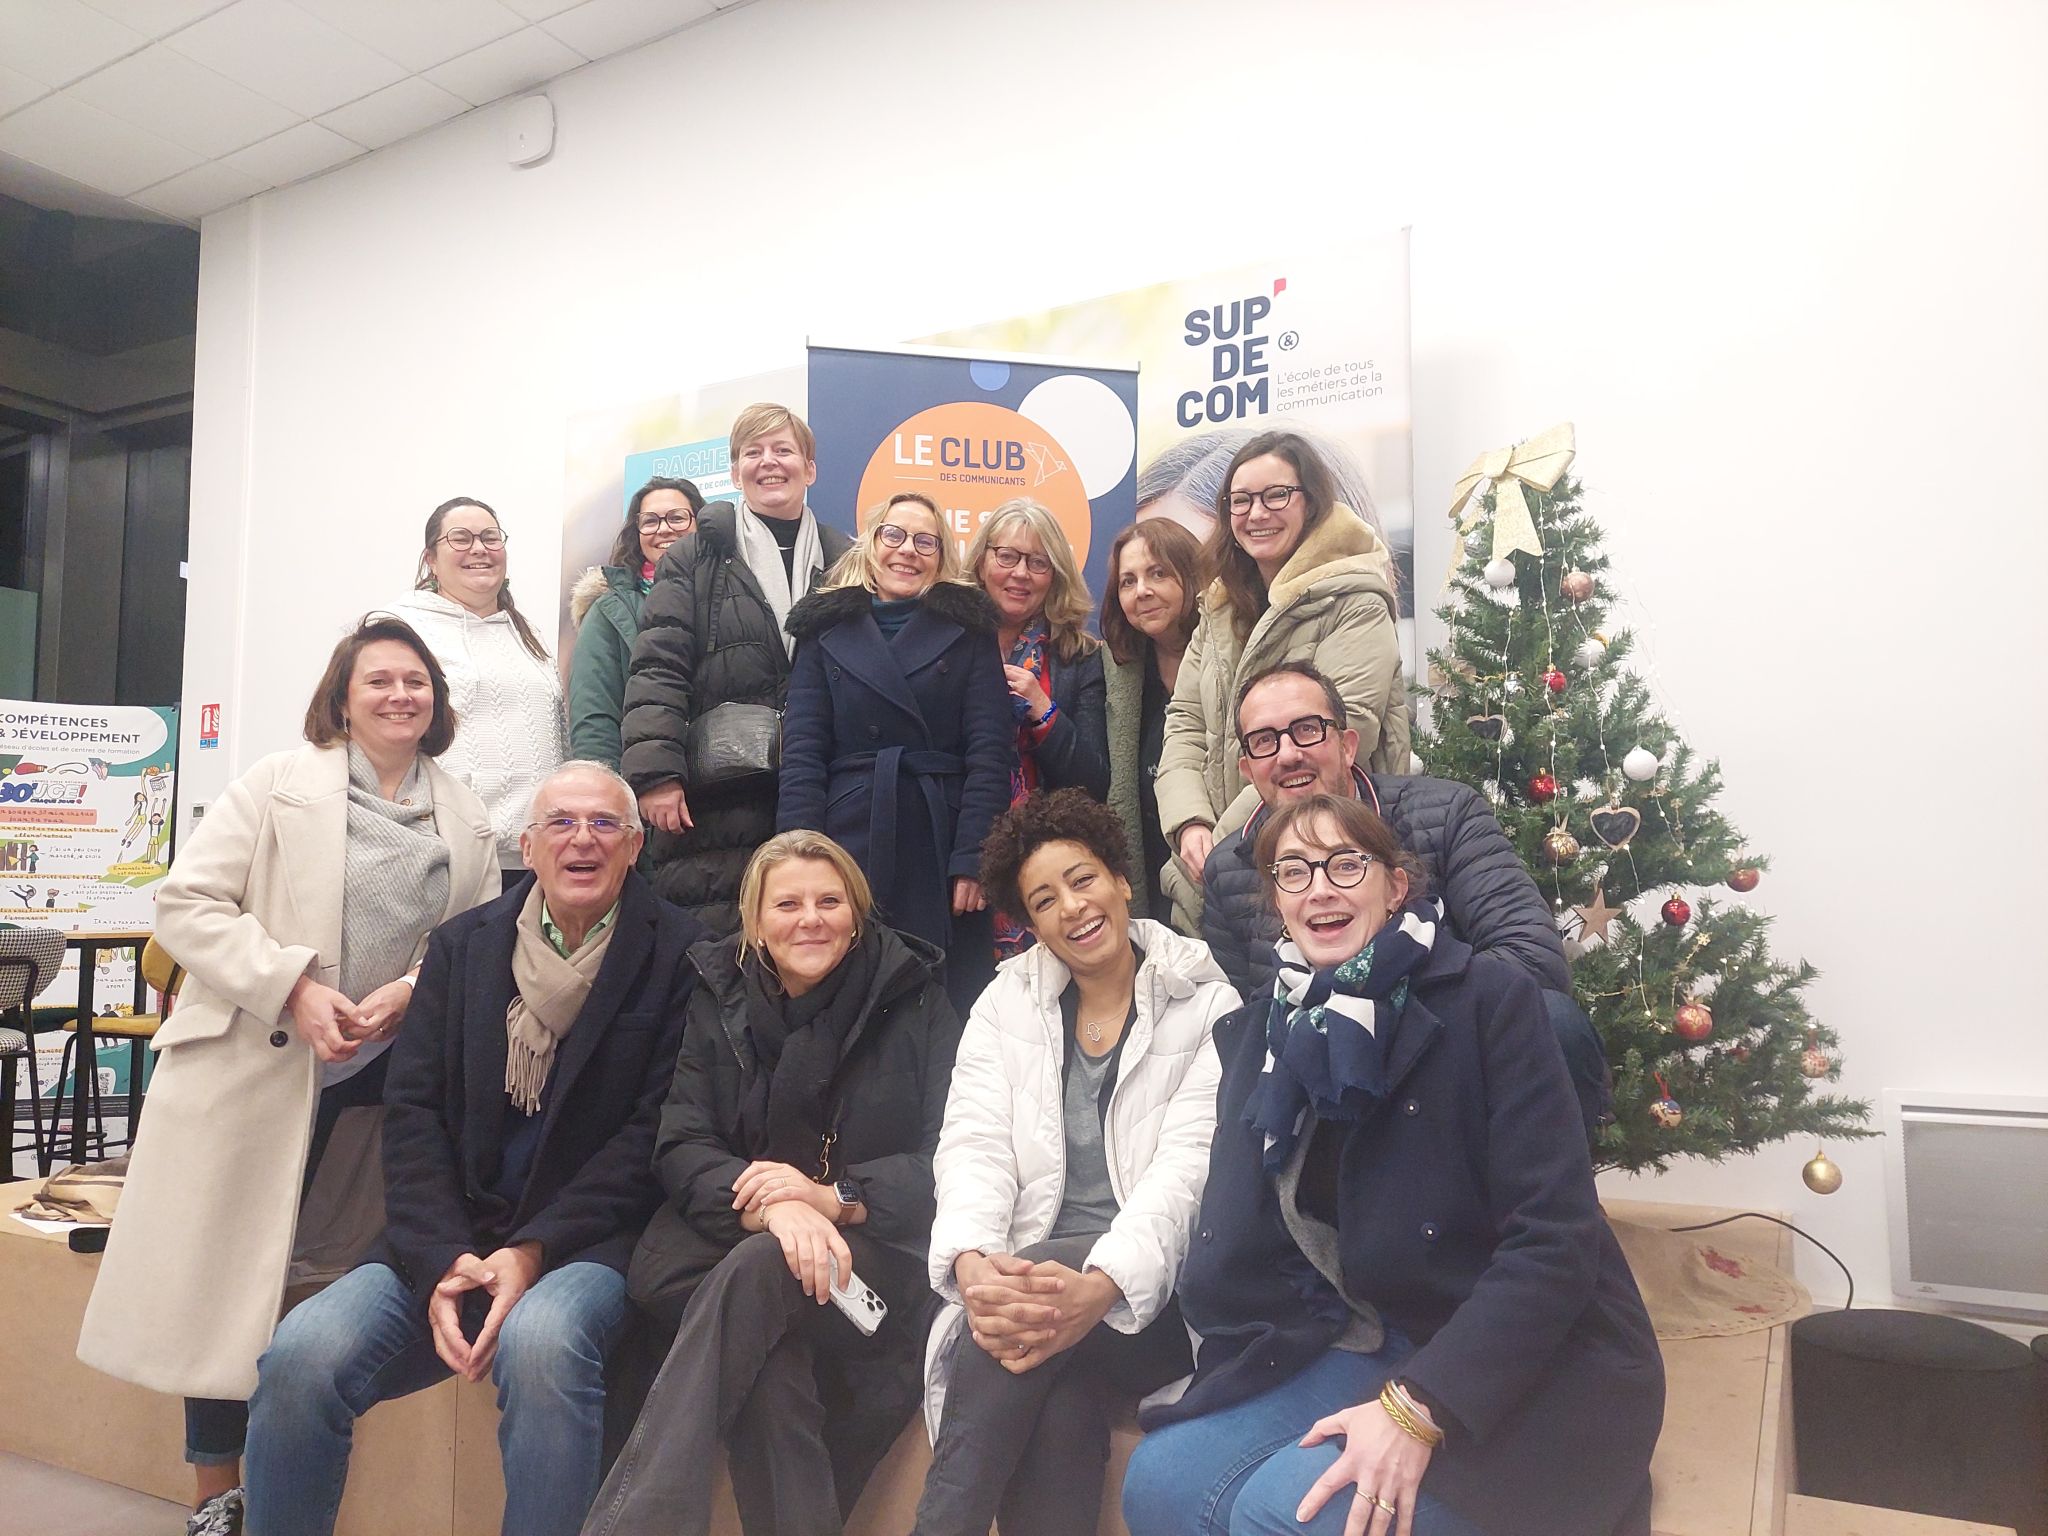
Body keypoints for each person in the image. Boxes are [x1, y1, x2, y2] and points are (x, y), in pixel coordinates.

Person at [1122, 794, 1663, 1536]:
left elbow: (1555, 1241)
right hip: (1369, 1332)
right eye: (1294, 872)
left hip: (1522, 1358)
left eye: (1347, 864)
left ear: (1395, 885)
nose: (1321, 887)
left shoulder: (1489, 1003)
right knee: (1160, 1486)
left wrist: (1416, 1409)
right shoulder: (1264, 1034)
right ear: (1278, 901)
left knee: (1286, 1517)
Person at [77, 616, 499, 1536]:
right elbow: (185, 905)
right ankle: (214, 1500)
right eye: (379, 681)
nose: (400, 696)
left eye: (415, 682)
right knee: (231, 1292)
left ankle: (287, 1494)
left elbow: (472, 946)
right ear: (342, 698)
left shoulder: (466, 814)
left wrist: (411, 992)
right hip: (252, 1071)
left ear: (437, 702)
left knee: (314, 1297)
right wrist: (293, 987)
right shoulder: (277, 784)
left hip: (380, 1089)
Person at [240, 762, 703, 1536]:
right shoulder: (462, 950)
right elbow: (413, 1113)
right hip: (445, 1239)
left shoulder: (684, 955)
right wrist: (446, 1257)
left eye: (603, 825)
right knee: (299, 1355)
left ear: (633, 847)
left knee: (543, 1342)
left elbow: (651, 1136)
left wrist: (532, 1251)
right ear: (528, 843)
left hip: (589, 1244)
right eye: (560, 823)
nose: (580, 840)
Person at [584, 831, 959, 1535]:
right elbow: (682, 1142)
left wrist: (832, 1200)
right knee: (773, 1370)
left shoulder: (916, 1003)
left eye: (828, 901)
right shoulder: (717, 996)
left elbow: (951, 1158)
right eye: (787, 903)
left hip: (871, 1286)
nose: (809, 918)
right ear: (756, 922)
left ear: (857, 913)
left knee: (762, 1278)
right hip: (733, 1254)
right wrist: (775, 1213)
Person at [912, 789, 1238, 1536]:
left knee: (1029, 1315)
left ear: (1122, 880)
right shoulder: (1006, 1007)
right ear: (1030, 924)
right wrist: (972, 1264)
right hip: (1027, 1296)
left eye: (1083, 878)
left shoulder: (1208, 1005)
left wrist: (1100, 1285)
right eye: (1044, 899)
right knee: (1059, 1408)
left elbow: (1187, 1179)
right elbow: (973, 1145)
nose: (1073, 907)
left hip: (1157, 1298)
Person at [1199, 662, 1610, 1130]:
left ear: (1347, 745)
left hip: (1449, 1047)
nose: (1288, 754)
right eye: (1265, 741)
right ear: (1247, 768)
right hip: (1319, 1070)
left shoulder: (1445, 812)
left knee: (1556, 1022)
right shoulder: (1228, 869)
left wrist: (1382, 1021)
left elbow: (1533, 957)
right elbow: (1245, 1018)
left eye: (1307, 730)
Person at [777, 492, 1015, 1012]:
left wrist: (974, 857)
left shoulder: (970, 630)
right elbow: (803, 753)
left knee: (942, 1005)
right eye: (895, 535)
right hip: (848, 837)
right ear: (872, 543)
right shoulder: (823, 630)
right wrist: (799, 859)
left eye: (924, 541)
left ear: (941, 555)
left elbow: (990, 751)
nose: (907, 550)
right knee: (845, 997)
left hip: (940, 842)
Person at [621, 404, 853, 934]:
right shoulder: (693, 555)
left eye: (783, 450)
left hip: (820, 791)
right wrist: (656, 775)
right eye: (754, 452)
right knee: (715, 947)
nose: (769, 463)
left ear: (810, 468)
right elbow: (658, 667)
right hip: (717, 801)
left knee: (810, 943)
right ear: (734, 471)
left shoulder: (848, 560)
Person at [1158, 430, 1408, 890]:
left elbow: (1339, 738)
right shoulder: (1218, 606)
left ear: (1310, 502)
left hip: (1321, 860)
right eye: (1240, 500)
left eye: (1276, 496)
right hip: (1212, 865)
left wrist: (1222, 844)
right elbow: (1186, 724)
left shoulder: (1356, 601)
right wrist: (1188, 822)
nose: (1256, 513)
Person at [389, 496, 569, 890]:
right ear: (431, 560)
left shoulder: (528, 635)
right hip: (444, 855)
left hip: (534, 858)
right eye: (460, 538)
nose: (479, 549)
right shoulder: (400, 628)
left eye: (490, 537)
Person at [964, 499, 1110, 969]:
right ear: (982, 561)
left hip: (1046, 864)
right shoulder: (948, 639)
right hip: (963, 853)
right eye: (1006, 556)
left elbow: (1092, 779)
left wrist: (1043, 709)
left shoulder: (1078, 656)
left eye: (1037, 562)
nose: (1020, 573)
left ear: (1056, 575)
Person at [1099, 516, 1205, 928]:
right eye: (1128, 581)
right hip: (1149, 883)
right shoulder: (1118, 673)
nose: (1142, 591)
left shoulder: (1234, 659)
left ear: (1191, 576)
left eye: (1157, 573)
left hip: (1217, 871)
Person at [568, 476, 705, 768]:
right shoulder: (608, 611)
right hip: (645, 790)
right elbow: (595, 719)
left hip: (723, 782)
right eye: (650, 521)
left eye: (677, 518)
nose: (664, 529)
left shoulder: (731, 596)